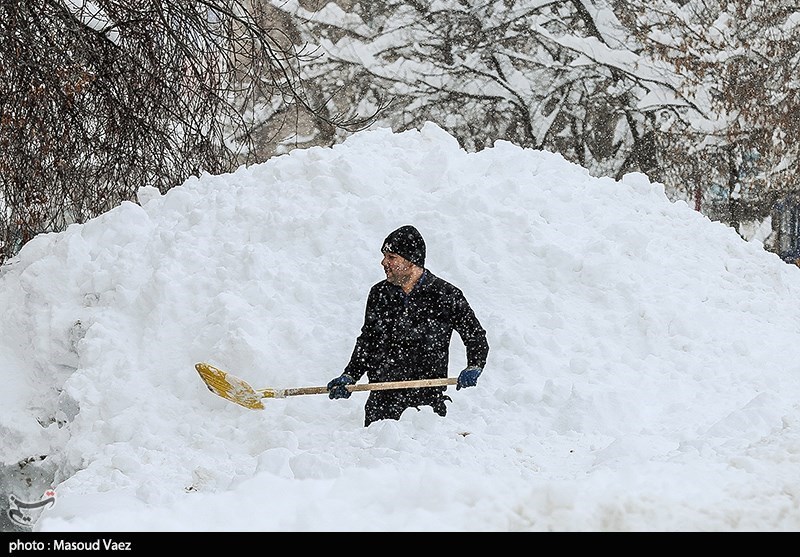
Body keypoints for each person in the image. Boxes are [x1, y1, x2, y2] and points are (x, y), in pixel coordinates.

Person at [326, 225, 489, 427]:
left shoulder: (445, 295)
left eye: (392, 257)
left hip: (426, 406)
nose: (384, 262)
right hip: (382, 403)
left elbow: (475, 335)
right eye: (385, 256)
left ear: (411, 261)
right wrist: (350, 375)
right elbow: (368, 341)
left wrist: (474, 365)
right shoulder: (379, 295)